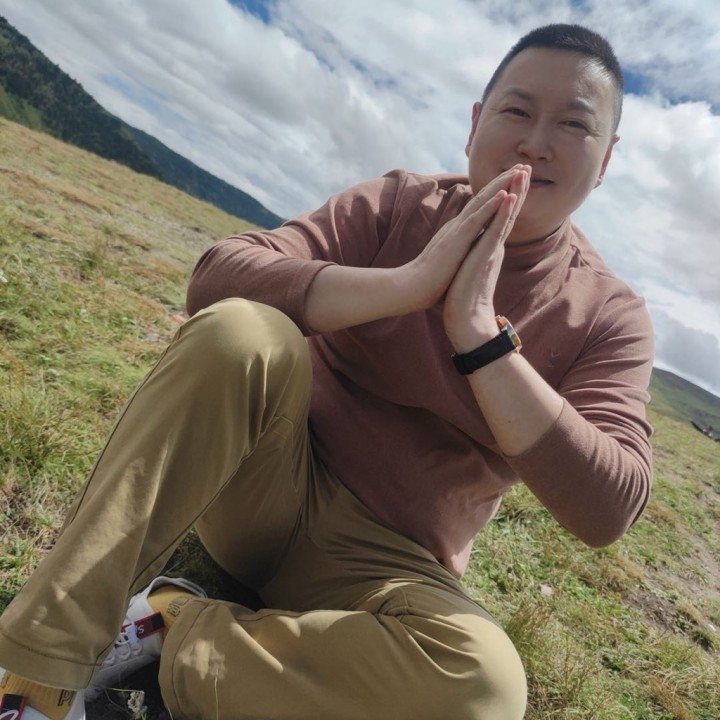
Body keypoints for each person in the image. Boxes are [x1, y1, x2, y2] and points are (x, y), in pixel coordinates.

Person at [0, 22, 653, 720]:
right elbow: (217, 275)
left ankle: (174, 628)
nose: (535, 142)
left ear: (605, 161)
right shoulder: (399, 204)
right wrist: (408, 286)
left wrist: (479, 339)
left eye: (574, 124)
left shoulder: (608, 315)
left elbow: (607, 508)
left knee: (485, 690)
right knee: (241, 329)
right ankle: (41, 669)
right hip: (261, 486)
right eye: (517, 110)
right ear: (474, 124)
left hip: (384, 570)